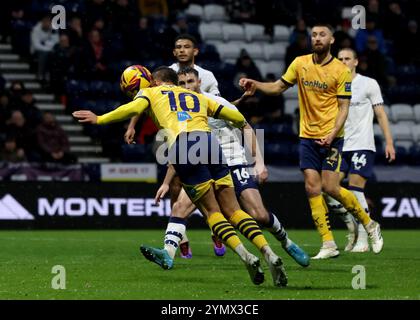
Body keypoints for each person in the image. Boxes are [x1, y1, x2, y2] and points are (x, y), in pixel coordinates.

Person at [73, 66, 288, 287]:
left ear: (155, 82)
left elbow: (132, 108)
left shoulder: (150, 92)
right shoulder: (196, 95)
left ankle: (246, 256)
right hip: (210, 144)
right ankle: (268, 252)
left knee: (212, 212)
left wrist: (99, 119)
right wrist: (243, 123)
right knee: (234, 210)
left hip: (184, 147)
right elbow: (234, 115)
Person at [239, 24, 384, 259]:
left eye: (322, 35)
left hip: (332, 138)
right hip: (307, 136)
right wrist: (257, 84)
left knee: (331, 187)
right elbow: (278, 87)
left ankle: (369, 224)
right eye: (314, 35)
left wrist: (332, 132)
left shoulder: (340, 70)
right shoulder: (300, 63)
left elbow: (344, 108)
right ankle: (328, 243)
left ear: (332, 40)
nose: (317, 38)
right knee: (311, 187)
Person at [142, 67, 309, 270]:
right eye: (182, 83)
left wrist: (259, 162)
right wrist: (167, 182)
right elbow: (179, 150)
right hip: (203, 165)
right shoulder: (177, 111)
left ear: (199, 82)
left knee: (259, 214)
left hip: (233, 162)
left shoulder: (217, 102)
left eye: (190, 82)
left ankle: (286, 241)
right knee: (180, 208)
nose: (187, 86)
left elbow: (245, 126)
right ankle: (168, 254)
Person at [125, 34, 223, 259]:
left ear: (195, 51)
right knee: (175, 183)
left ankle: (215, 228)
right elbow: (145, 98)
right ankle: (183, 238)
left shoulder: (207, 76)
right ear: (173, 51)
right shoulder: (164, 74)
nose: (181, 50)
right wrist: (133, 125)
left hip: (202, 133)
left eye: (186, 47)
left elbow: (216, 103)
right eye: (178, 47)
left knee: (207, 186)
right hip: (171, 133)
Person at [324, 48, 395, 253]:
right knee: (328, 189)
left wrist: (389, 142)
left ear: (356, 62)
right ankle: (352, 225)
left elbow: (380, 114)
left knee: (355, 188)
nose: (343, 61)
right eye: (340, 59)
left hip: (362, 144)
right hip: (339, 144)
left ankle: (364, 237)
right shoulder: (333, 84)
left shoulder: (368, 84)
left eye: (347, 58)